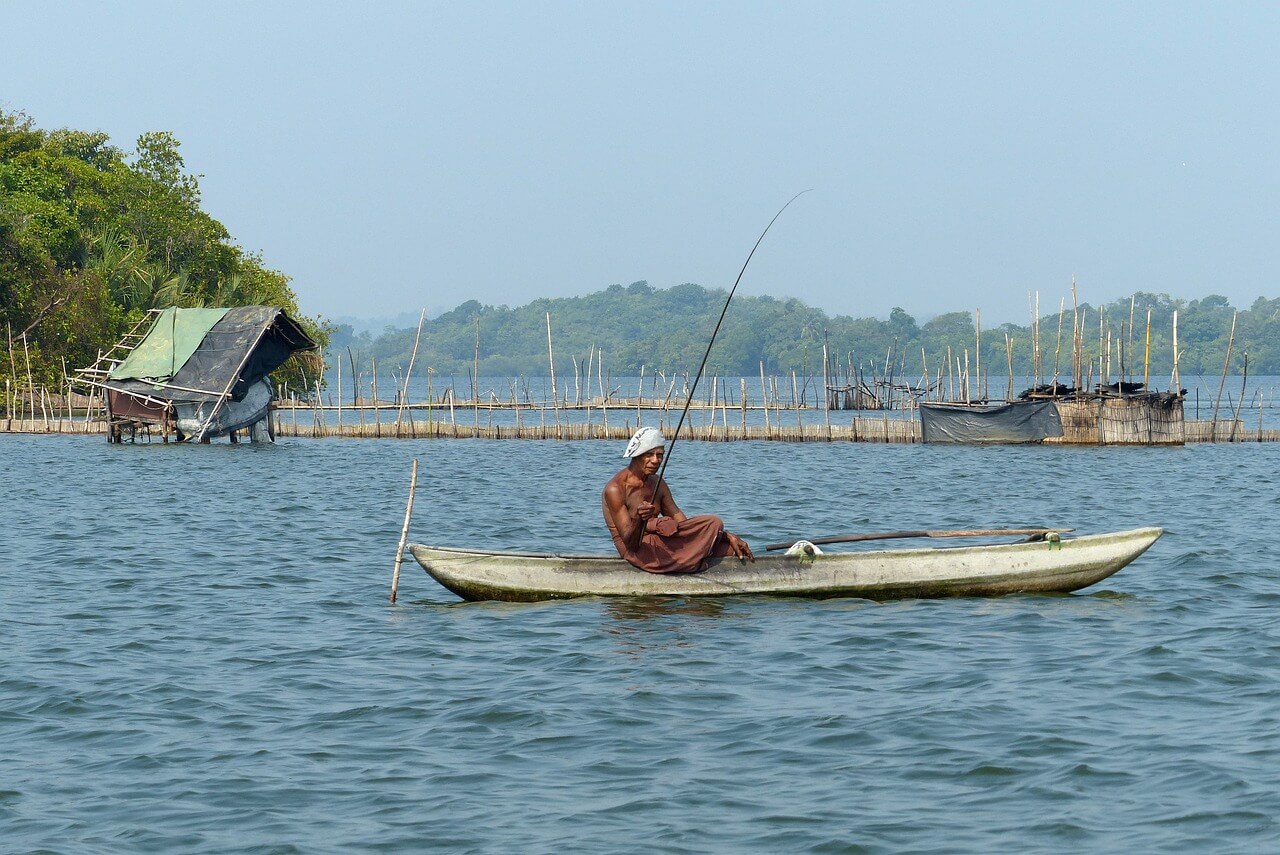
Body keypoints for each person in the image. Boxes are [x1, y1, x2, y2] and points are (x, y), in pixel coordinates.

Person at [602, 426, 754, 574]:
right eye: (649, 455)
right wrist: (639, 519)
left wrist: (724, 535)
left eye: (659, 455)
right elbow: (631, 545)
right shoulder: (616, 489)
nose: (655, 460)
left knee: (714, 523)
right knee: (715, 548)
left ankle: (696, 555)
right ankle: (693, 560)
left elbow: (682, 524)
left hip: (662, 543)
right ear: (636, 455)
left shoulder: (657, 483)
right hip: (638, 552)